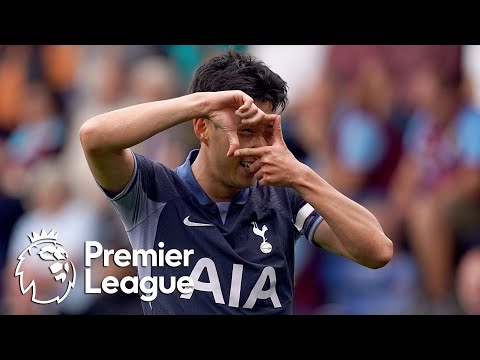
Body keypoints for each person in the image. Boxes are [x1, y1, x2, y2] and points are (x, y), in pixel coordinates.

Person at [79, 49, 393, 315]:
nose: (257, 146)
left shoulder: (283, 195)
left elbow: (377, 250)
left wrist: (301, 174)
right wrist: (202, 103)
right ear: (202, 128)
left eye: (265, 131)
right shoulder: (155, 193)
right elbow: (93, 137)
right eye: (244, 131)